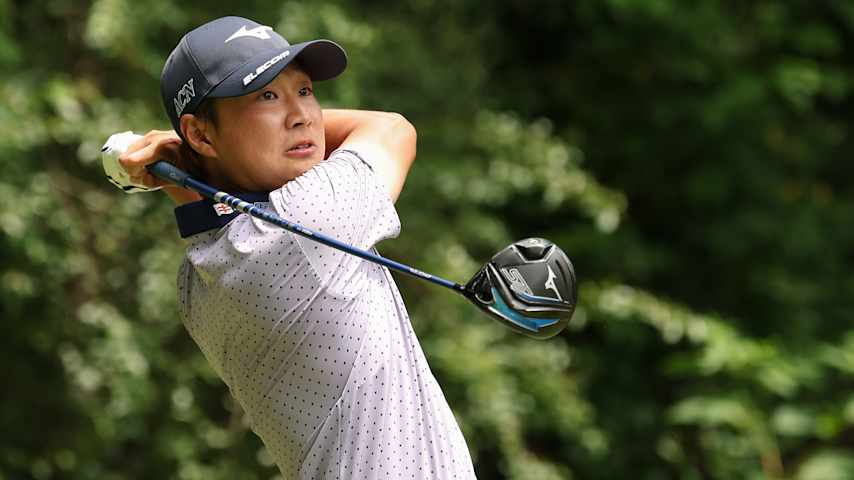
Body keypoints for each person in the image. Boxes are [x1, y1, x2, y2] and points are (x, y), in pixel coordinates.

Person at [116, 15, 476, 480]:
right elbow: (393, 129)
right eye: (266, 96)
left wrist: (190, 157)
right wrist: (181, 155)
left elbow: (212, 203)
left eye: (304, 90)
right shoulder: (304, 223)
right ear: (200, 134)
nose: (303, 115)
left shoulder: (196, 280)